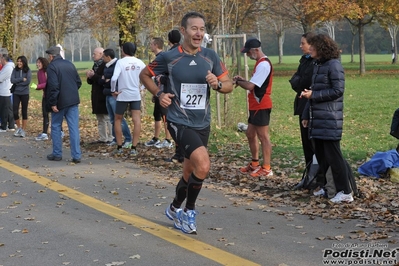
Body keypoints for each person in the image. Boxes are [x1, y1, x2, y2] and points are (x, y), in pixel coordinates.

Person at [140, 11, 233, 234]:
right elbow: (144, 75)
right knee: (203, 164)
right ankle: (188, 213)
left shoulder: (210, 56)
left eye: (202, 29)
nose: (198, 33)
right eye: (194, 29)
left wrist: (217, 85)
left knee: (189, 173)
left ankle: (173, 207)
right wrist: (158, 94)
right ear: (183, 31)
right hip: (178, 120)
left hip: (202, 122)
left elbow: (228, 84)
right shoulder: (169, 57)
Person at [301, 34, 354, 203]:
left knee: (334, 156)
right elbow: (313, 90)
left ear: (322, 48)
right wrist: (306, 114)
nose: (310, 49)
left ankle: (345, 191)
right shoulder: (318, 65)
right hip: (317, 117)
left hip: (330, 118)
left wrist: (314, 95)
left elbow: (338, 90)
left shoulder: (334, 65)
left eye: (313, 47)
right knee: (322, 155)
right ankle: (327, 187)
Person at [233, 38, 273, 178]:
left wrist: (238, 81)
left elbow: (250, 86)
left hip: (261, 105)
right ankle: (255, 164)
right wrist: (242, 80)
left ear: (256, 50)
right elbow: (253, 83)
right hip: (255, 105)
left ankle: (267, 167)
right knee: (250, 133)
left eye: (249, 52)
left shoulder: (263, 65)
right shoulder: (259, 64)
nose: (248, 55)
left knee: (263, 137)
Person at [45, 46, 82, 163]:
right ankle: (76, 155)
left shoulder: (52, 67)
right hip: (73, 100)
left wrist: (53, 103)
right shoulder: (69, 64)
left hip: (60, 102)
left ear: (51, 56)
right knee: (73, 128)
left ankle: (57, 153)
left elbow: (53, 86)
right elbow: (78, 82)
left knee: (56, 126)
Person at [110, 42, 146, 156]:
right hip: (135, 94)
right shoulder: (140, 62)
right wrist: (142, 87)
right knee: (136, 120)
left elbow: (114, 78)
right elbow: (150, 76)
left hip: (122, 94)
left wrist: (112, 90)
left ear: (123, 50)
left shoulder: (120, 62)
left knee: (118, 119)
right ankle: (134, 148)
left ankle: (119, 147)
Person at [289, 32, 315, 173]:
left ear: (311, 45)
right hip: (301, 105)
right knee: (305, 143)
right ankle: (309, 173)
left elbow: (305, 81)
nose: (300, 46)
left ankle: (317, 175)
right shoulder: (304, 60)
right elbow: (295, 80)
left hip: (311, 106)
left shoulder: (315, 63)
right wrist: (298, 82)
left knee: (313, 144)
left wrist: (298, 82)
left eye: (303, 43)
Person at [144, 37, 173, 149]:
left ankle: (168, 139)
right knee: (157, 115)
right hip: (158, 92)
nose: (150, 46)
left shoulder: (163, 57)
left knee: (165, 116)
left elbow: (167, 76)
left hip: (164, 93)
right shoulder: (157, 58)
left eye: (151, 44)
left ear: (156, 45)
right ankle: (156, 138)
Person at [100, 48, 132, 147]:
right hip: (107, 94)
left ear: (108, 57)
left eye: (103, 57)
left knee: (119, 118)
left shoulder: (117, 65)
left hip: (115, 95)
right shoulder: (106, 66)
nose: (102, 58)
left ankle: (128, 138)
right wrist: (105, 81)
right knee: (112, 119)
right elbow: (102, 79)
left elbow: (117, 79)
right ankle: (115, 138)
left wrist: (107, 81)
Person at [164, 29, 185, 163]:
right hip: (186, 92)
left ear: (169, 41)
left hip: (172, 93)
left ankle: (180, 153)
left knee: (172, 123)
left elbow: (167, 75)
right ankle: (183, 152)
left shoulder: (170, 55)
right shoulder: (186, 52)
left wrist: (161, 81)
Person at [87, 47, 113, 144]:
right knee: (100, 118)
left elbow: (104, 79)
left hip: (103, 94)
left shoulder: (106, 65)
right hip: (96, 94)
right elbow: (94, 80)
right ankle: (103, 137)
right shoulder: (95, 65)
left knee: (107, 117)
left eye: (95, 54)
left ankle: (111, 137)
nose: (93, 55)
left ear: (101, 54)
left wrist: (94, 76)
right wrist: (90, 77)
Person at [11, 55, 31, 138]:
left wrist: (18, 82)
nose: (19, 63)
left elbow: (28, 82)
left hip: (25, 93)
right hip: (16, 93)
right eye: (18, 61)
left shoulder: (28, 70)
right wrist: (21, 79)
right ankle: (18, 128)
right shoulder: (15, 70)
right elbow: (12, 80)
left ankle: (23, 129)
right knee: (15, 110)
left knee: (24, 111)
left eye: (20, 61)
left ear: (24, 62)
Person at [32, 57, 51, 141]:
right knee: (45, 114)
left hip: (52, 95)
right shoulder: (39, 72)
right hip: (45, 96)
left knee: (55, 115)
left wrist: (38, 86)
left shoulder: (47, 71)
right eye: (37, 63)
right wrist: (36, 87)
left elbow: (48, 83)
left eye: (39, 62)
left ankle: (60, 131)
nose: (37, 64)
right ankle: (44, 133)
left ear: (43, 63)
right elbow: (41, 84)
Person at [0, 53, 15, 133]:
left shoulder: (8, 68)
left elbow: (0, 78)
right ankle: (11, 125)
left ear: (3, 59)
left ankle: (4, 126)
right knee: (8, 109)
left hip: (5, 90)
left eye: (1, 59)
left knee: (4, 110)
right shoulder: (7, 67)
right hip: (5, 90)